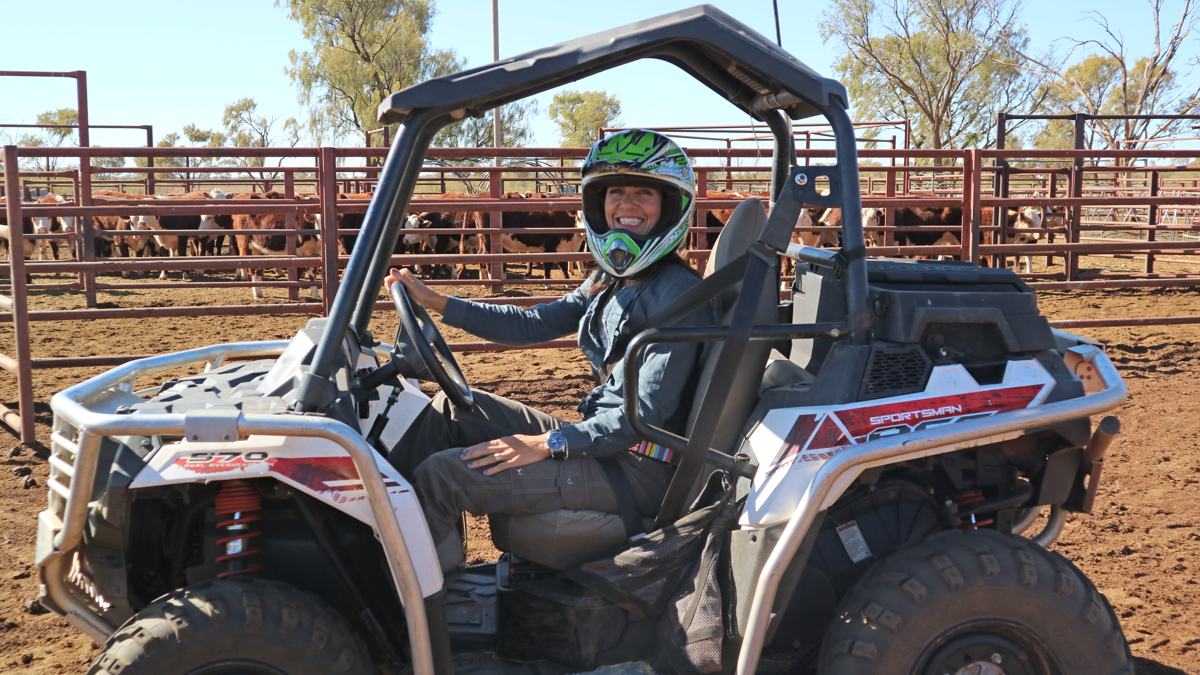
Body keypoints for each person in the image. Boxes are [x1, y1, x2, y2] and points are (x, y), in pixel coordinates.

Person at [387, 129, 714, 572]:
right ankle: (422, 562)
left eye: (643, 193)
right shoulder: (610, 279)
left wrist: (547, 443)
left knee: (442, 476)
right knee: (449, 410)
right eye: (617, 192)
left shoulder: (678, 296)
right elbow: (536, 323)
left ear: (670, 206)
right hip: (604, 439)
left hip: (639, 466)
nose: (627, 204)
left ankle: (426, 612)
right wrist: (439, 303)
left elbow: (645, 416)